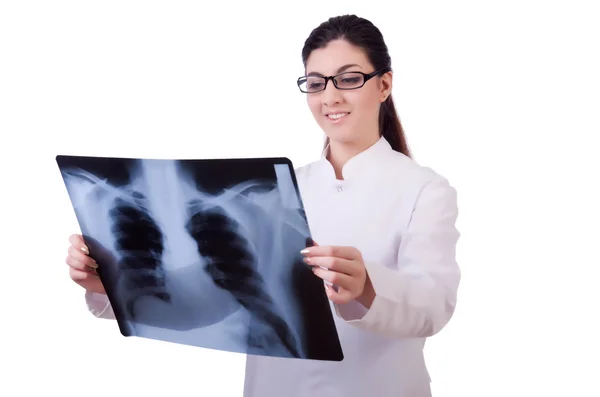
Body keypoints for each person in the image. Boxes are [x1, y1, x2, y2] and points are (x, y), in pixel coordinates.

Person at [65, 14, 461, 397]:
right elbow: (214, 296)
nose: (331, 97)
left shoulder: (424, 189)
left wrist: (369, 286)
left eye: (350, 78)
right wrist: (113, 285)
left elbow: (434, 305)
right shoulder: (277, 191)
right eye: (317, 82)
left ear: (384, 84)